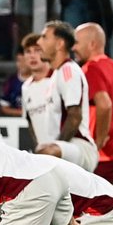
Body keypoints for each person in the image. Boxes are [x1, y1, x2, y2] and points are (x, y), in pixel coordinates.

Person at [23, 21, 95, 171]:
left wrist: (56, 148)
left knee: (43, 156)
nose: (39, 42)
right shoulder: (57, 73)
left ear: (59, 44)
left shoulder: (68, 70)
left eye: (44, 37)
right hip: (65, 147)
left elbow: (75, 116)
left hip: (79, 146)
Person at [75, 22, 113, 181]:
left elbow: (104, 104)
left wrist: (100, 140)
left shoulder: (90, 69)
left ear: (92, 44)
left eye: (76, 43)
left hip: (105, 154)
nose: (73, 48)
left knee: (82, 192)